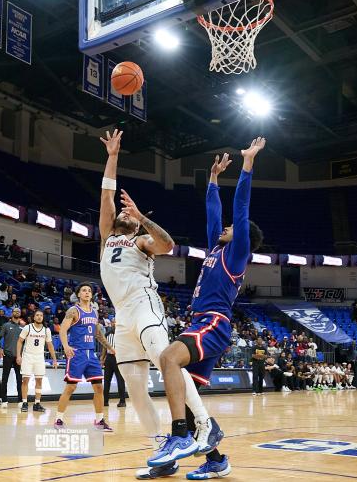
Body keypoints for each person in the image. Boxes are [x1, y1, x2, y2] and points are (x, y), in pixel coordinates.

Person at [99, 129, 214, 480]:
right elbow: (105, 195)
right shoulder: (107, 237)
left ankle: (205, 424)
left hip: (146, 308)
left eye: (129, 214)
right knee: (134, 388)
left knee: (168, 363)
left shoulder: (141, 241)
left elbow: (168, 245)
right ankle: (161, 452)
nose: (123, 214)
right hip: (122, 320)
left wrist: (141, 215)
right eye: (124, 212)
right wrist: (113, 156)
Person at [151, 138, 265, 477]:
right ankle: (216, 460)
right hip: (201, 323)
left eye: (231, 229)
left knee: (169, 358)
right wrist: (213, 180)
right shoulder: (216, 248)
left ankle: (178, 437)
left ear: (243, 237)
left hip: (213, 324)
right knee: (190, 400)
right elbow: (213, 215)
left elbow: (240, 211)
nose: (226, 228)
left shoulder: (237, 251)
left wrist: (247, 165)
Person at [54, 283, 114, 431]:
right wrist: (66, 346)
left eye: (89, 290)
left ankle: (99, 420)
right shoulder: (73, 311)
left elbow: (98, 334)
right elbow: (62, 330)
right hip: (77, 353)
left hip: (91, 353)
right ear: (79, 294)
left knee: (99, 387)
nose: (87, 292)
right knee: (71, 387)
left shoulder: (95, 312)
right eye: (84, 290)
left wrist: (110, 347)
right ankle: (58, 419)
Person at [16, 309, 58, 412]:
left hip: (39, 357)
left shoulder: (46, 330)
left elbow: (50, 345)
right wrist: (18, 355)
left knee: (39, 380)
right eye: (37, 315)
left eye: (41, 315)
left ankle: (37, 403)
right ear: (34, 317)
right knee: (25, 380)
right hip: (27, 356)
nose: (39, 317)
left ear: (43, 318)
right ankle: (24, 402)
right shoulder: (28, 327)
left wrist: (54, 359)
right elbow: (20, 341)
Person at [0, 308, 23, 407]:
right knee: (5, 378)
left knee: (19, 379)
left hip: (18, 357)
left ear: (20, 314)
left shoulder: (22, 328)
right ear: (12, 313)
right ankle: (4, 400)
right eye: (15, 311)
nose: (17, 312)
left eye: (18, 311)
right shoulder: (6, 325)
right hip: (7, 355)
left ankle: (20, 400)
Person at [101, 319, 126, 407]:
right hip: (109, 358)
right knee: (107, 381)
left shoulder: (123, 335)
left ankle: (122, 401)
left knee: (120, 381)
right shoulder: (107, 334)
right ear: (111, 324)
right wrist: (102, 359)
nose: (114, 324)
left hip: (119, 358)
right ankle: (105, 401)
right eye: (113, 322)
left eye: (116, 322)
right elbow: (104, 347)